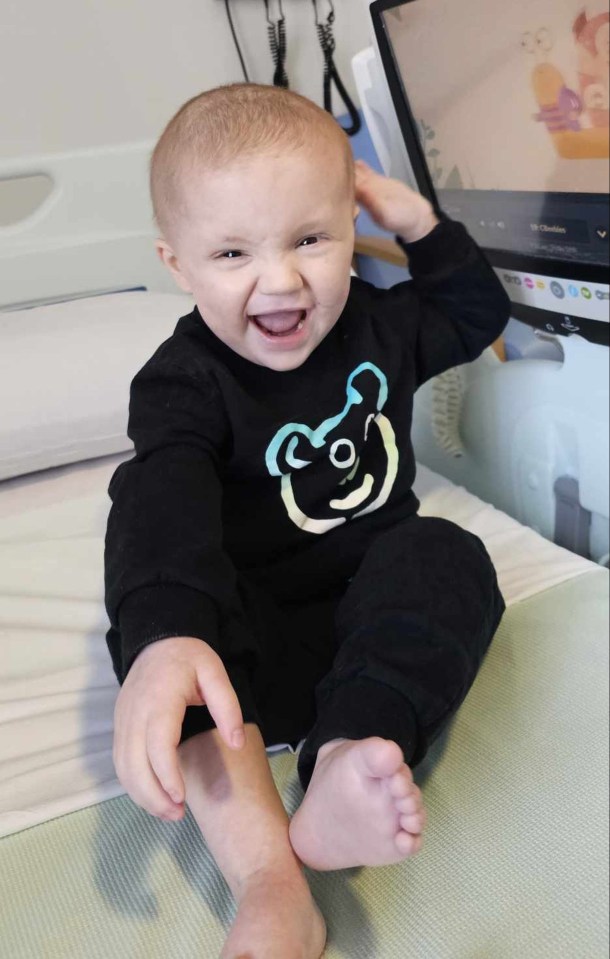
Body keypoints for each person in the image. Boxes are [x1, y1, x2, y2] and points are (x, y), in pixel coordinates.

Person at [104, 83, 509, 958]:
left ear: (346, 227)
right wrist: (166, 635)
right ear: (177, 264)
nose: (280, 279)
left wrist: (415, 221)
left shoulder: (380, 328)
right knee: (176, 637)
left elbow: (478, 312)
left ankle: (343, 761)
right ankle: (271, 882)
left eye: (311, 237)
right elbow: (164, 498)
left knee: (446, 550)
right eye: (233, 252)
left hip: (376, 615)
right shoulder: (184, 380)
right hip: (248, 640)